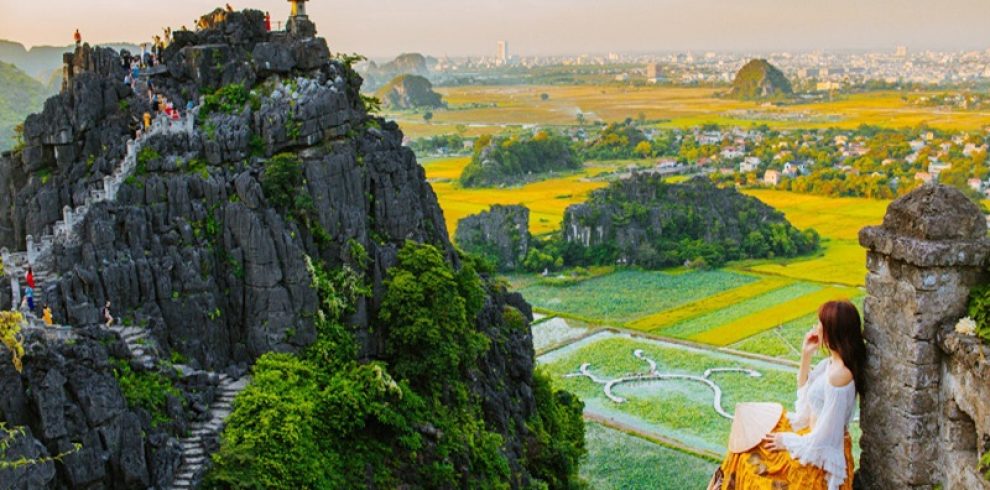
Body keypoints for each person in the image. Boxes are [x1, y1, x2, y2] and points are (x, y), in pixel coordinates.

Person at [713, 300, 866, 490]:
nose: (815, 327)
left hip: (819, 458)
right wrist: (806, 354)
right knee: (746, 448)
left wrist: (785, 441)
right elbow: (806, 405)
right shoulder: (828, 365)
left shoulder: (840, 375)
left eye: (819, 323)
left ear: (830, 331)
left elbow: (826, 439)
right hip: (808, 440)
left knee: (751, 464)